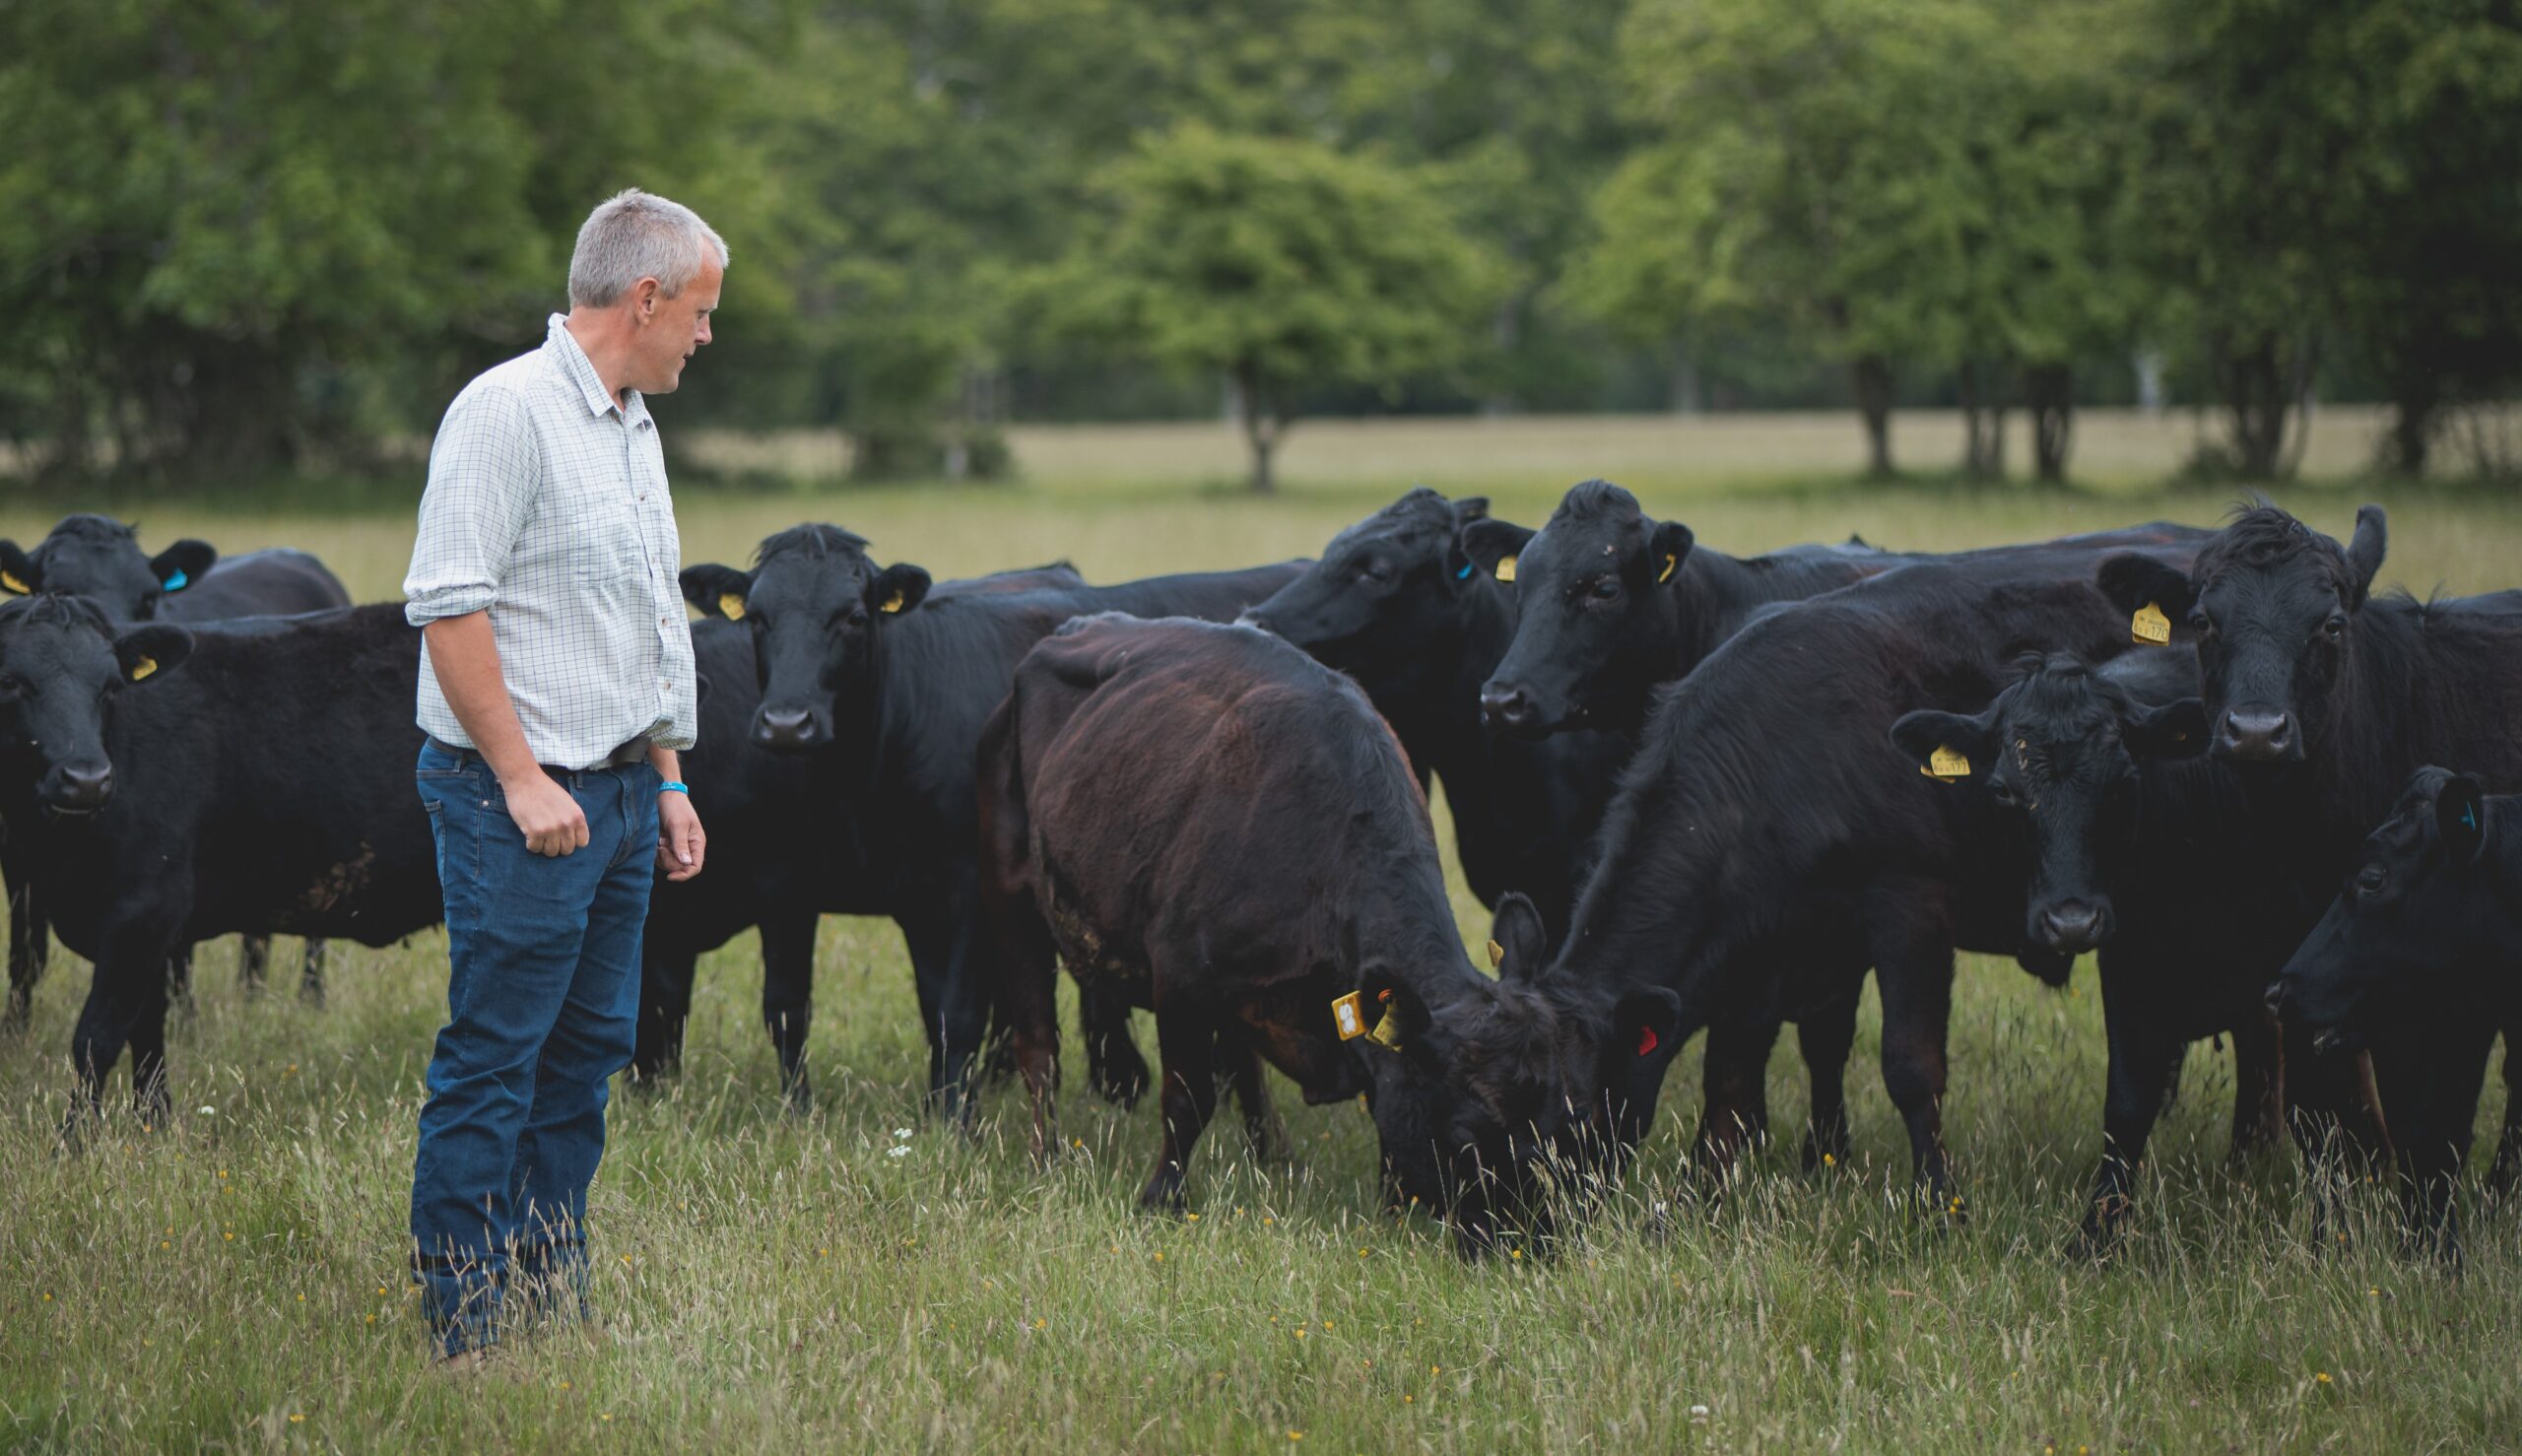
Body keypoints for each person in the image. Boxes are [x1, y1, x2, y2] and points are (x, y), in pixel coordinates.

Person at [402, 188, 718, 1367]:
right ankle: (467, 1318)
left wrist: (667, 776)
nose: (705, 335)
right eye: (699, 311)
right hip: (521, 803)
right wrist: (523, 777)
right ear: (645, 297)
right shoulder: (505, 412)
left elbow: (642, 617)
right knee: (497, 1055)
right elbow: (448, 606)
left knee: (585, 1057)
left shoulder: (632, 422)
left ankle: (548, 1283)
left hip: (624, 793)